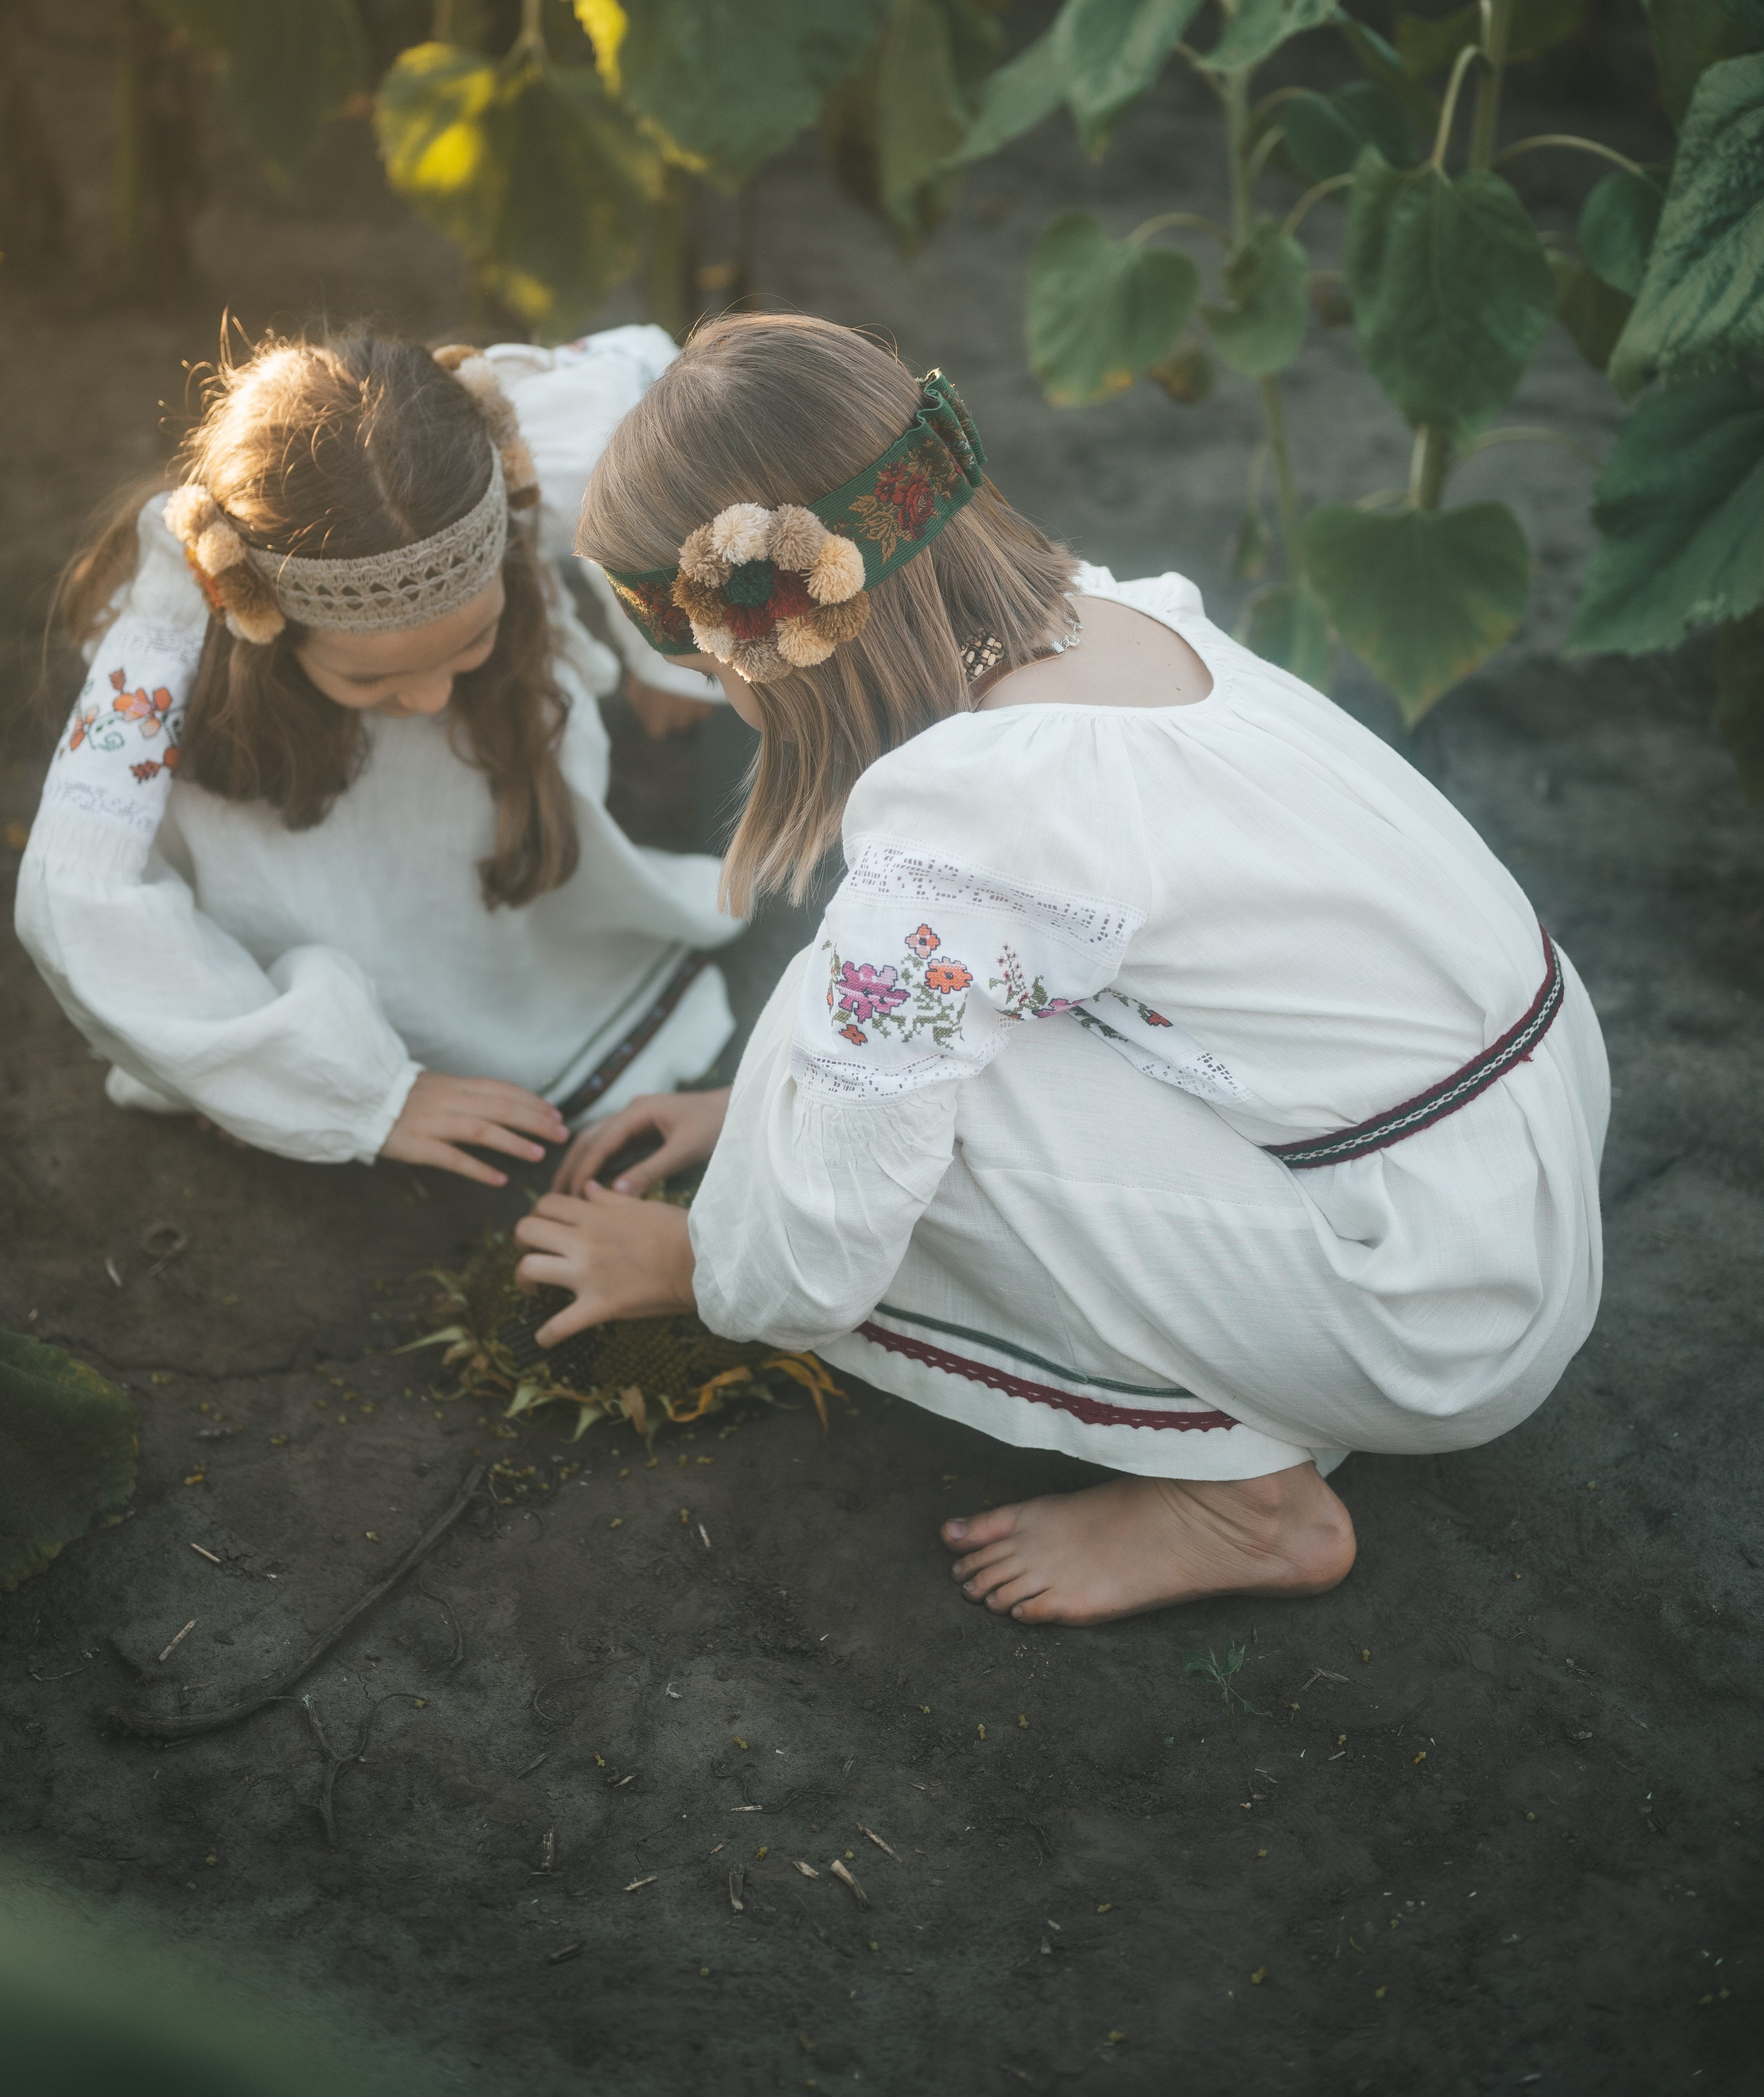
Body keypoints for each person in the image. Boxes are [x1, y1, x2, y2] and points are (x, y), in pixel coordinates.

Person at [517, 313, 1608, 1627]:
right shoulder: (1116, 621)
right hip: (1502, 1172)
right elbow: (918, 993)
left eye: (702, 662)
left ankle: (1245, 1500)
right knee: (879, 1007)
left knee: (899, 1096)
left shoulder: (974, 815)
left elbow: (827, 1227)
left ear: (771, 639)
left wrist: (703, 1258)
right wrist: (751, 1110)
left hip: (1429, 1310)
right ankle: (1254, 1375)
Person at [17, 325, 741, 1183]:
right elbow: (76, 897)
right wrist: (353, 1091)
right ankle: (278, 1064)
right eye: (374, 680)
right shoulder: (176, 628)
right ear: (264, 626)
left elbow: (654, 399)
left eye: (471, 643)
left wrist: (673, 650)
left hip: (497, 850)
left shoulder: (477, 465)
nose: (432, 697)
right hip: (289, 844)